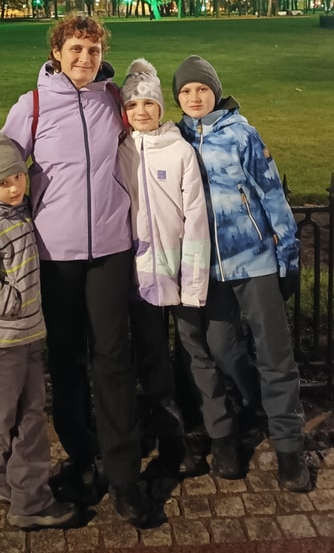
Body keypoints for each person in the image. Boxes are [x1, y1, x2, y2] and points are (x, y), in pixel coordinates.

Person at [0, 13, 153, 528]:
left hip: (110, 247)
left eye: (93, 50)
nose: (85, 58)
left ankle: (124, 474)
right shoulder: (33, 105)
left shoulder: (111, 100)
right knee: (68, 362)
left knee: (114, 359)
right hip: (54, 254)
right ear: (57, 53)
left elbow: (150, 128)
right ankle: (82, 455)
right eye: (76, 49)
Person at [171, 54, 311, 493]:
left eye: (202, 89)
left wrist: (288, 256)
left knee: (275, 354)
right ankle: (255, 403)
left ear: (215, 92)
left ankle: (289, 448)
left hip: (255, 259)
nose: (195, 97)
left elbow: (272, 194)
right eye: (186, 91)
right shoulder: (175, 139)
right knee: (221, 347)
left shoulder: (241, 134)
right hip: (207, 268)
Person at [0, 131, 77, 530]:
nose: (14, 187)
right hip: (0, 339)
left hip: (24, 335)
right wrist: (14, 302)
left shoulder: (18, 213)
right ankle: (27, 498)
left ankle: (14, 483)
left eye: (18, 177)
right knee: (14, 416)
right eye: (3, 182)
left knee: (25, 414)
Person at [118, 59, 211, 479]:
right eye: (132, 104)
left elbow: (196, 221)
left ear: (160, 107)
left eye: (148, 103)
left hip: (179, 270)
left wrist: (193, 283)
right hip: (140, 274)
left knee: (192, 352)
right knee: (151, 354)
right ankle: (168, 432)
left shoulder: (180, 151)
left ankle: (198, 427)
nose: (140, 111)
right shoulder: (120, 152)